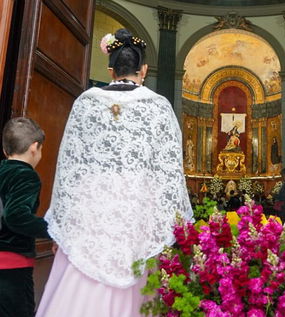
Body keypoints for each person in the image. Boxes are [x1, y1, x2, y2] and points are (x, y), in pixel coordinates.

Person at [36, 29, 193, 317]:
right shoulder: (159, 107)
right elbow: (169, 172)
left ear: (111, 70)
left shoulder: (85, 102)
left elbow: (69, 167)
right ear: (143, 70)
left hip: (91, 206)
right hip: (138, 206)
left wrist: (63, 225)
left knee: (83, 274)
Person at [0, 118, 50, 317]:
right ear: (34, 147)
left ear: (5, 150)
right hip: (12, 267)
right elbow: (16, 216)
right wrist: (53, 229)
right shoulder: (25, 175)